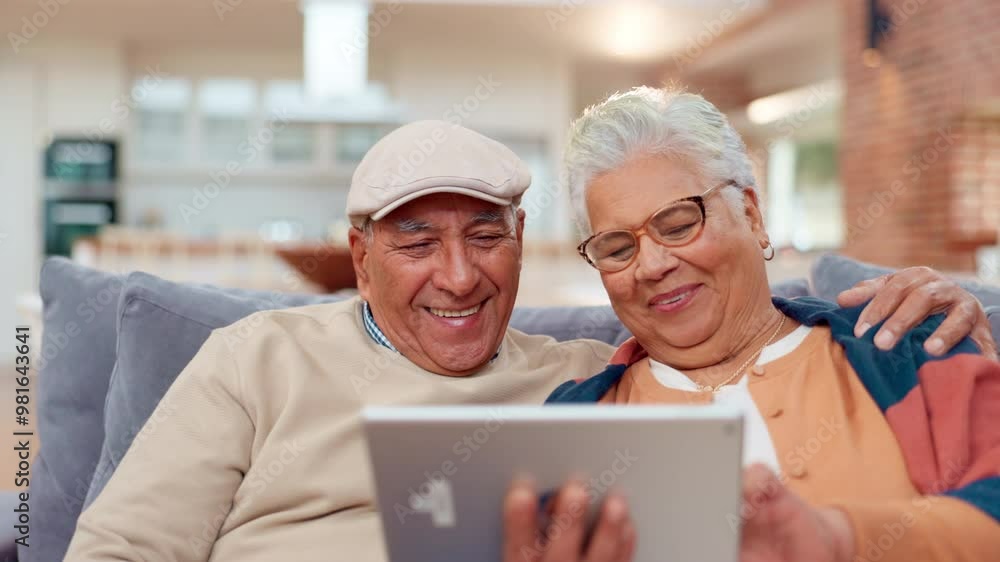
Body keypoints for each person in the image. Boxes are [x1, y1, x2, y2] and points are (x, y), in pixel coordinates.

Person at [65, 120, 989, 562]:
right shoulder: (254, 357)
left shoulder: (583, 384)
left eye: (486, 237)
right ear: (360, 253)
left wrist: (931, 297)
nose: (459, 277)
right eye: (416, 242)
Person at [542, 86, 1000, 562]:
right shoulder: (576, 418)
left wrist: (843, 538)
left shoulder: (902, 342)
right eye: (617, 249)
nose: (651, 265)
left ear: (753, 215)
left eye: (678, 225)